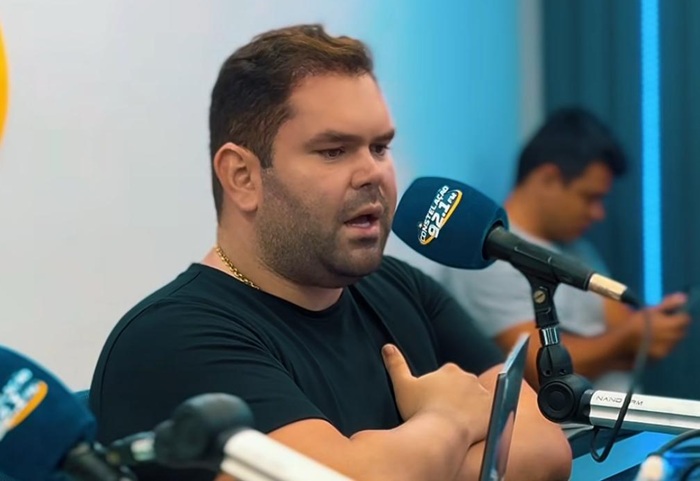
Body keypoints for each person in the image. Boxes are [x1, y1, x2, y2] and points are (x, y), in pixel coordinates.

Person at [90, 24, 572, 481]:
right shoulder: (175, 338)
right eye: (334, 151)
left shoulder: (402, 288)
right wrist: (452, 420)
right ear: (242, 176)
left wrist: (404, 461)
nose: (373, 174)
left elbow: (545, 449)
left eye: (380, 148)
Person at [442, 107, 690, 391]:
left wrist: (647, 330)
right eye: (589, 197)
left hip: (622, 413)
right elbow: (537, 369)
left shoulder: (578, 248)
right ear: (548, 178)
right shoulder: (488, 258)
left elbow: (626, 328)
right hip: (572, 420)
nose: (598, 213)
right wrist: (625, 340)